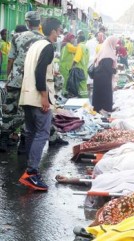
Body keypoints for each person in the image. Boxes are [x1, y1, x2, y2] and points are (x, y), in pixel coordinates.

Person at [18, 17, 62, 191]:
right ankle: (32, 172)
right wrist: (44, 96)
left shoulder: (35, 45)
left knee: (31, 132)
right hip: (38, 97)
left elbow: (34, 69)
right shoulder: (48, 46)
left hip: (27, 96)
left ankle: (30, 170)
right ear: (53, 31)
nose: (59, 34)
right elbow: (39, 71)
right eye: (59, 31)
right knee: (42, 133)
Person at [1, 11, 44, 153]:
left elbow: (11, 60)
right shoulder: (43, 40)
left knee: (8, 110)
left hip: (15, 79)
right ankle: (24, 144)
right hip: (31, 83)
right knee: (27, 112)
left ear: (27, 22)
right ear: (39, 22)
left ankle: (3, 140)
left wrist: (9, 77)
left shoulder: (16, 37)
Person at [92, 36, 118, 113]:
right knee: (105, 93)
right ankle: (105, 108)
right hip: (103, 77)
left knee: (101, 93)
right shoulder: (108, 52)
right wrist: (114, 71)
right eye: (115, 42)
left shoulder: (105, 50)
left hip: (100, 76)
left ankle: (100, 108)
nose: (115, 44)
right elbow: (107, 66)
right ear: (111, 42)